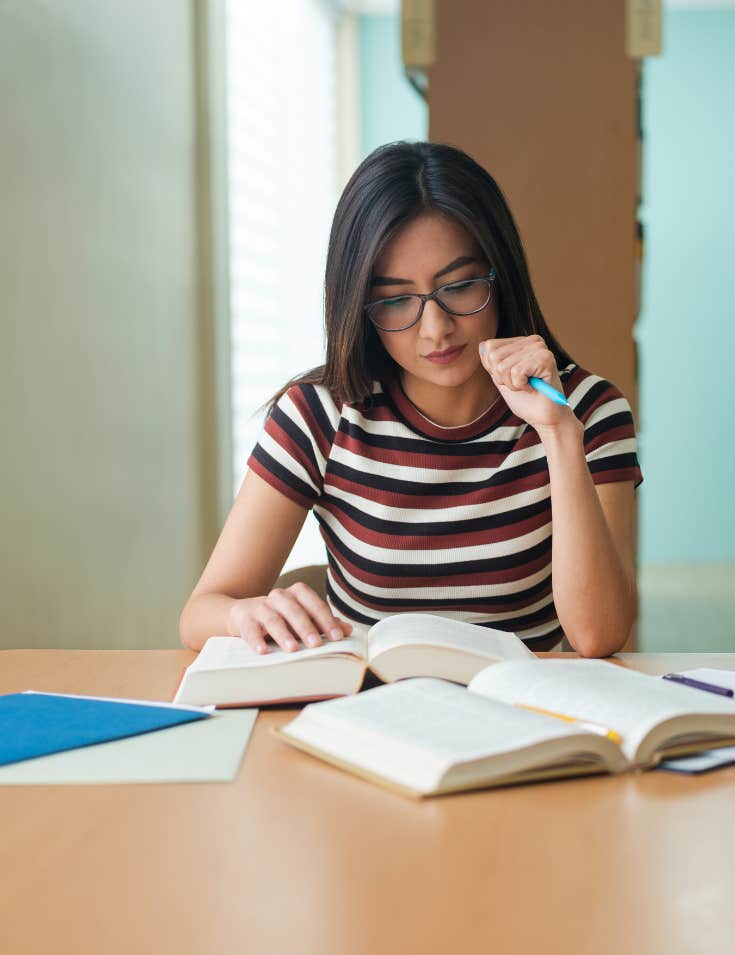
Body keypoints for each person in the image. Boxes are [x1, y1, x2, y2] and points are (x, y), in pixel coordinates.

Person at [179, 141, 642, 657]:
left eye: (461, 285)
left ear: (501, 274)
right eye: (396, 299)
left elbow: (599, 636)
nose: (436, 329)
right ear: (359, 302)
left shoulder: (587, 411)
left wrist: (558, 434)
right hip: (369, 717)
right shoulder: (320, 416)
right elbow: (201, 611)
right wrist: (244, 612)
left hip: (525, 717)